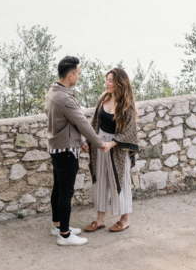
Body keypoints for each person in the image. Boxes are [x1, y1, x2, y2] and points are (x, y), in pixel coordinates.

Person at [45, 55, 112, 246]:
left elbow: (65, 124)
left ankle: (57, 226)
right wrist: (99, 143)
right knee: (66, 192)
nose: (79, 77)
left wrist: (80, 141)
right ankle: (64, 235)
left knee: (58, 189)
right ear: (70, 75)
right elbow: (82, 123)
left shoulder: (53, 92)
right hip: (66, 151)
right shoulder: (65, 98)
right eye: (79, 74)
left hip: (57, 148)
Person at [82, 67, 139, 233]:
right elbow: (95, 122)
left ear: (119, 83)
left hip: (118, 148)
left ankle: (125, 219)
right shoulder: (103, 98)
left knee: (119, 181)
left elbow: (129, 131)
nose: (106, 83)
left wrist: (112, 144)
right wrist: (89, 141)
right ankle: (100, 219)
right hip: (100, 144)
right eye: (106, 79)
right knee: (99, 180)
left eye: (110, 81)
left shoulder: (126, 104)